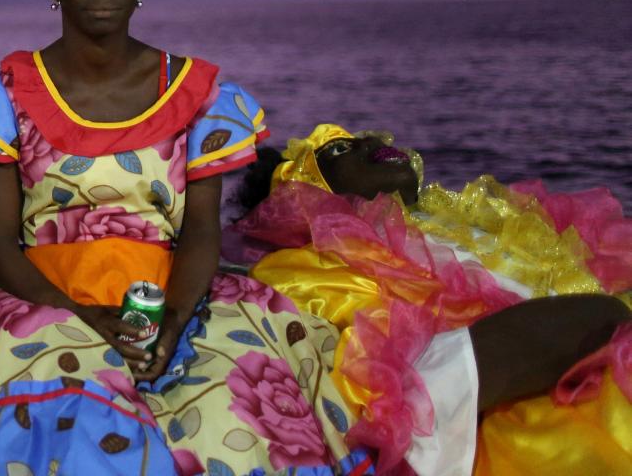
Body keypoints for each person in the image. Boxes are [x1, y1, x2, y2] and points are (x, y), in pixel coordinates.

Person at [0, 0, 369, 476]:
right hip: (42, 296)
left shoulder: (196, 96)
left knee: (234, 414)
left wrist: (173, 323)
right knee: (70, 424)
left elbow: (201, 229)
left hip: (172, 295)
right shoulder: (4, 94)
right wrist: (79, 317)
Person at [233, 123, 632, 476]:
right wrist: (592, 320)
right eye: (337, 150)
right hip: (498, 413)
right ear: (303, 196)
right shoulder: (311, 266)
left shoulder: (475, 222)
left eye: (358, 138)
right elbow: (402, 380)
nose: (372, 139)